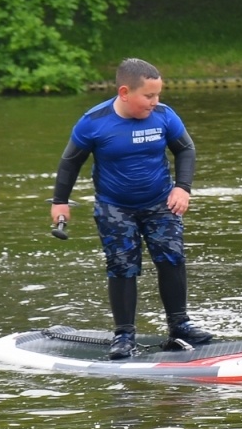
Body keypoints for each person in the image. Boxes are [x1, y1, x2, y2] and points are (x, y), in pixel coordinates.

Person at [49, 58, 213, 359]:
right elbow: (70, 162)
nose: (155, 102)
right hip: (115, 207)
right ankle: (124, 335)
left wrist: (182, 187)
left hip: (160, 202)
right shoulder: (94, 122)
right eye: (148, 96)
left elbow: (185, 149)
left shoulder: (164, 116)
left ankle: (180, 326)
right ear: (125, 92)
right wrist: (60, 201)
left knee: (171, 258)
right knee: (122, 266)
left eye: (158, 95)